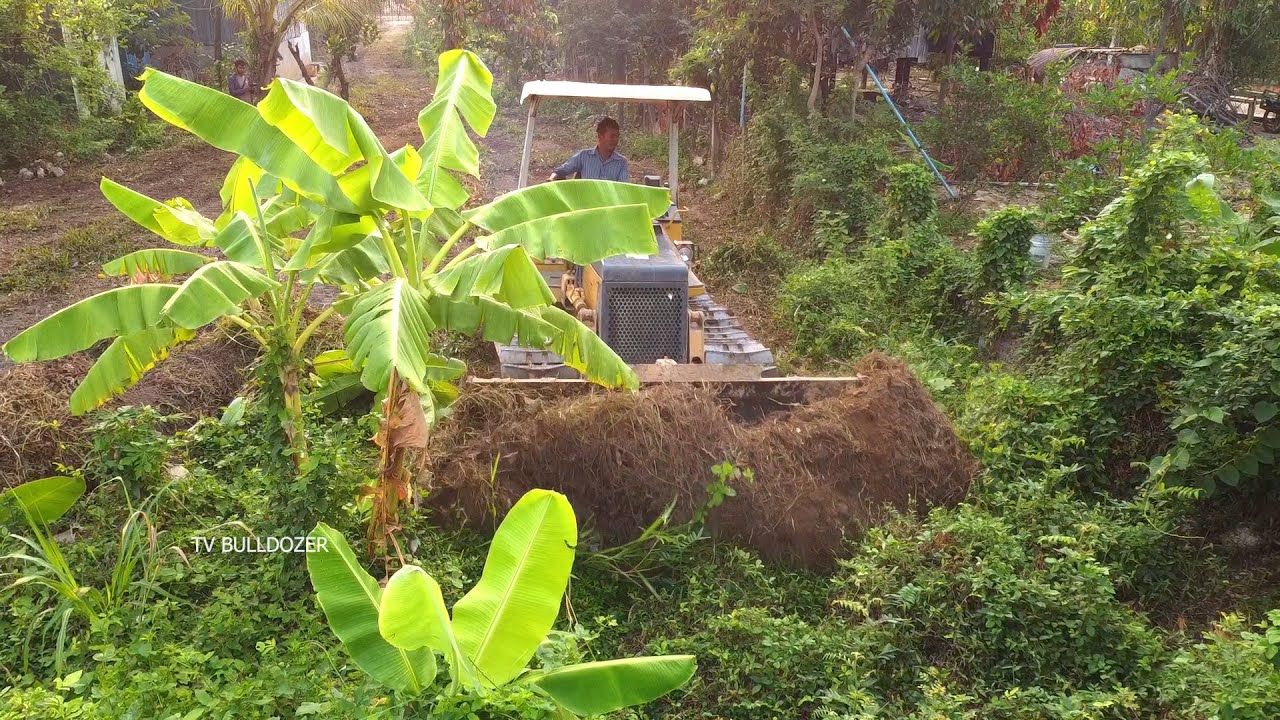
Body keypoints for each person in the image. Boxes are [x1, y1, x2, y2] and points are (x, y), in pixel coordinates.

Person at [549, 116, 629, 182]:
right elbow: (560, 171)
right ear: (600, 136)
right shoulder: (583, 156)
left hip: (610, 201)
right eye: (612, 136)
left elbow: (623, 189)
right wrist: (551, 179)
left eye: (617, 136)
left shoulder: (621, 162)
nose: (616, 140)